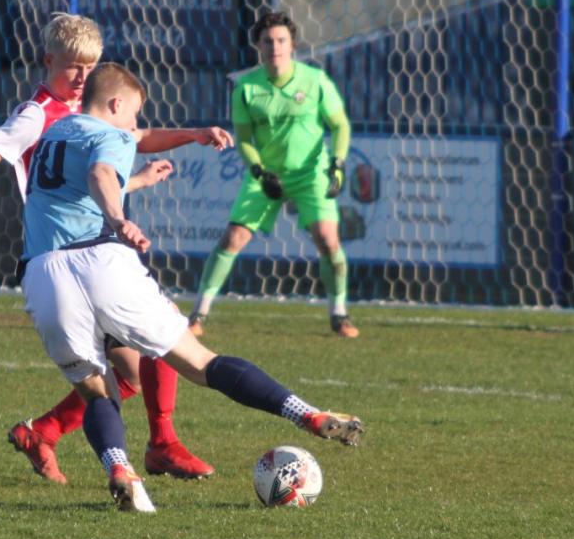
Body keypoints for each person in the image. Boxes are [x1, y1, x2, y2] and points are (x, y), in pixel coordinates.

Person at [21, 61, 364, 512]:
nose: (136, 126)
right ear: (116, 104)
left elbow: (137, 140)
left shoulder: (57, 132)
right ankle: (307, 414)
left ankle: (119, 468)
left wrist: (193, 135)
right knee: (200, 362)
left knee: (96, 389)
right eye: (134, 113)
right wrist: (119, 219)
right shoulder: (111, 137)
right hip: (100, 259)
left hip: (43, 275)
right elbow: (102, 174)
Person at [0, 13, 231, 484]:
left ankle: (48, 432)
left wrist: (191, 137)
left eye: (89, 67)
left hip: (94, 252)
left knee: (136, 368)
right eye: (73, 66)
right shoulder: (37, 115)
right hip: (65, 258)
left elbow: (132, 141)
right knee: (154, 342)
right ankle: (157, 445)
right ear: (48, 61)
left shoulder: (86, 108)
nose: (82, 76)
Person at [188, 10, 360, 338]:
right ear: (258, 46)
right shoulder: (246, 88)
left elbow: (340, 125)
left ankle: (340, 314)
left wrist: (337, 164)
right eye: (268, 41)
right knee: (233, 237)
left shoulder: (315, 81)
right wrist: (259, 171)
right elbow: (244, 140)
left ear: (292, 44)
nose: (275, 47)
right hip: (265, 175)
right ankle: (198, 314)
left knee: (328, 239)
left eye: (281, 40)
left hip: (311, 174)